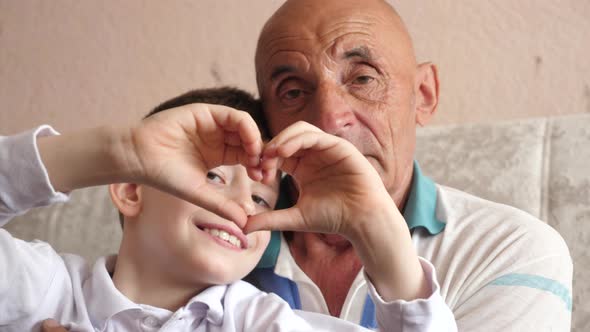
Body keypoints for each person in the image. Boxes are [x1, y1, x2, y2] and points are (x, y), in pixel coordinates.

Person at [0, 87, 454, 331]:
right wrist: (118, 149)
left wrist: (378, 226)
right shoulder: (47, 289)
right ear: (131, 191)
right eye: (214, 177)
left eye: (261, 199)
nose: (240, 203)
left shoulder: (259, 320)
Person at [242, 0, 573, 331]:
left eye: (362, 79)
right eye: (293, 92)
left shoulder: (509, 251)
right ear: (266, 124)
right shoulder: (218, 240)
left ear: (424, 94)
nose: (329, 119)